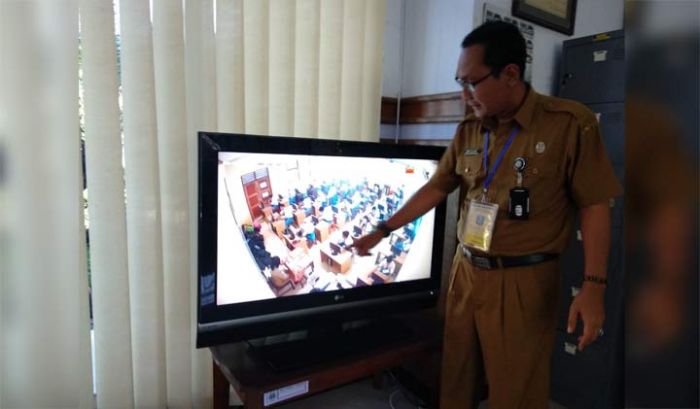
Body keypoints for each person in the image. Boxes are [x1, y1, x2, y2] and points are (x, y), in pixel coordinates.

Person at [352, 21, 621, 409]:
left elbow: (596, 203)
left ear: (510, 74)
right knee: (456, 380)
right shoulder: (470, 130)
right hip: (465, 273)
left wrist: (594, 287)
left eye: (472, 82)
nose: (464, 94)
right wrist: (382, 229)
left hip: (523, 281)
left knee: (516, 393)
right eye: (459, 82)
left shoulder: (568, 123)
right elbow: (437, 187)